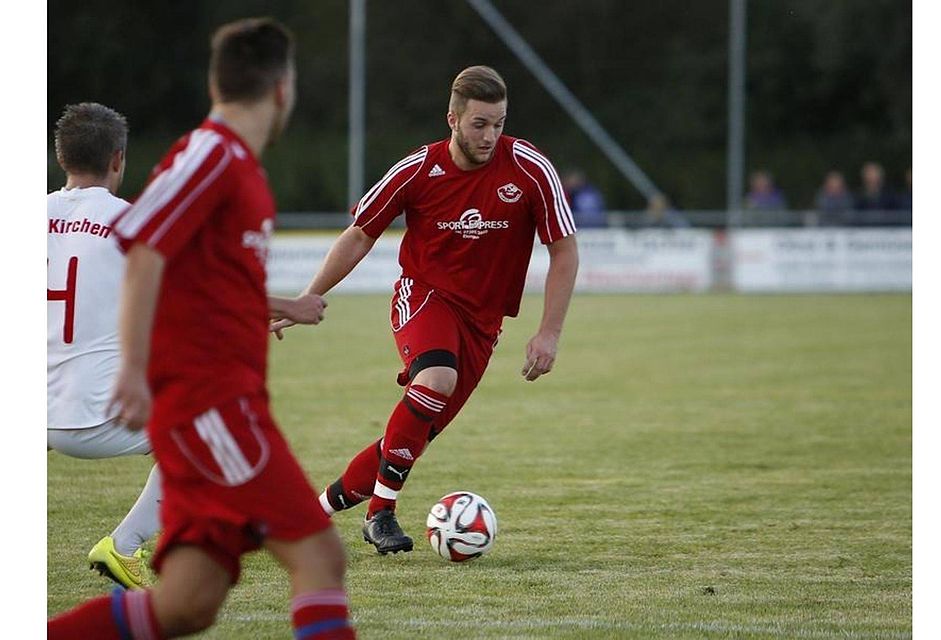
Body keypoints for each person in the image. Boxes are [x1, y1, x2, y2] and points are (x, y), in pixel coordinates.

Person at [49, 18, 356, 639]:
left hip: (223, 404)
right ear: (282, 89)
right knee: (321, 559)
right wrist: (135, 369)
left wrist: (279, 310)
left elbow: (201, 284)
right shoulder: (212, 154)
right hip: (213, 411)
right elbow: (144, 245)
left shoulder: (236, 163)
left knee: (187, 605)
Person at [272, 65, 579, 555]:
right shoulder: (417, 169)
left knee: (409, 438)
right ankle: (381, 514)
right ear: (452, 120)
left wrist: (550, 333)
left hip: (483, 324)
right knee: (435, 381)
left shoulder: (529, 169)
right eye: (479, 124)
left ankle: (311, 515)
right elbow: (360, 234)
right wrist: (309, 295)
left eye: (499, 123)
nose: (490, 136)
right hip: (424, 295)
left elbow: (564, 249)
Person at [48, 102, 160, 590]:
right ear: (118, 159)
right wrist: (288, 305)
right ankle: (124, 546)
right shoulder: (129, 222)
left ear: (61, 158)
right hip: (90, 415)